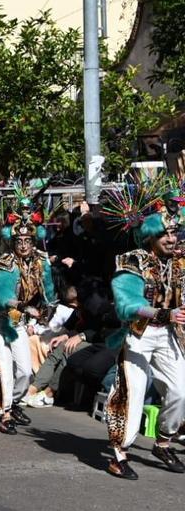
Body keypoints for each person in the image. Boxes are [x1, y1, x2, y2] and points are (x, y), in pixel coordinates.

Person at [105, 185, 185, 479]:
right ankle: (119, 454)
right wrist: (164, 313)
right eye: (165, 234)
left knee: (181, 391)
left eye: (174, 233)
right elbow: (127, 304)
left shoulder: (179, 262)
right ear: (151, 236)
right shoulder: (133, 260)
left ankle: (163, 443)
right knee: (133, 393)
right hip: (138, 335)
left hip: (169, 334)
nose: (171, 239)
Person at [0, 196, 57, 435]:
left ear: (34, 241)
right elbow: (1, 295)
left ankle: (12, 403)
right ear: (12, 242)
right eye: (19, 241)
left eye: (28, 240)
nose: (23, 245)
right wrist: (23, 306)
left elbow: (48, 288)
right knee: (4, 369)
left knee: (24, 370)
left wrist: (48, 307)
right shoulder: (5, 263)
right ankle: (5, 413)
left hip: (17, 322)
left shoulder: (41, 261)